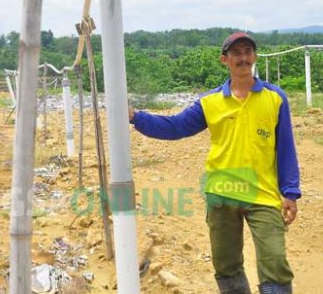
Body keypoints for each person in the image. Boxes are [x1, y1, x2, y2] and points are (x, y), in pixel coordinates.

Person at [129, 32, 301, 294]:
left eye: (247, 52)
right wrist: (135, 117)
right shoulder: (209, 102)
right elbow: (176, 127)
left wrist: (290, 192)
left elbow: (286, 147)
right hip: (222, 195)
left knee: (275, 262)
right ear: (225, 59)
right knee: (227, 266)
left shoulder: (275, 98)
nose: (243, 58)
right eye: (236, 53)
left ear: (254, 57)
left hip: (263, 195)